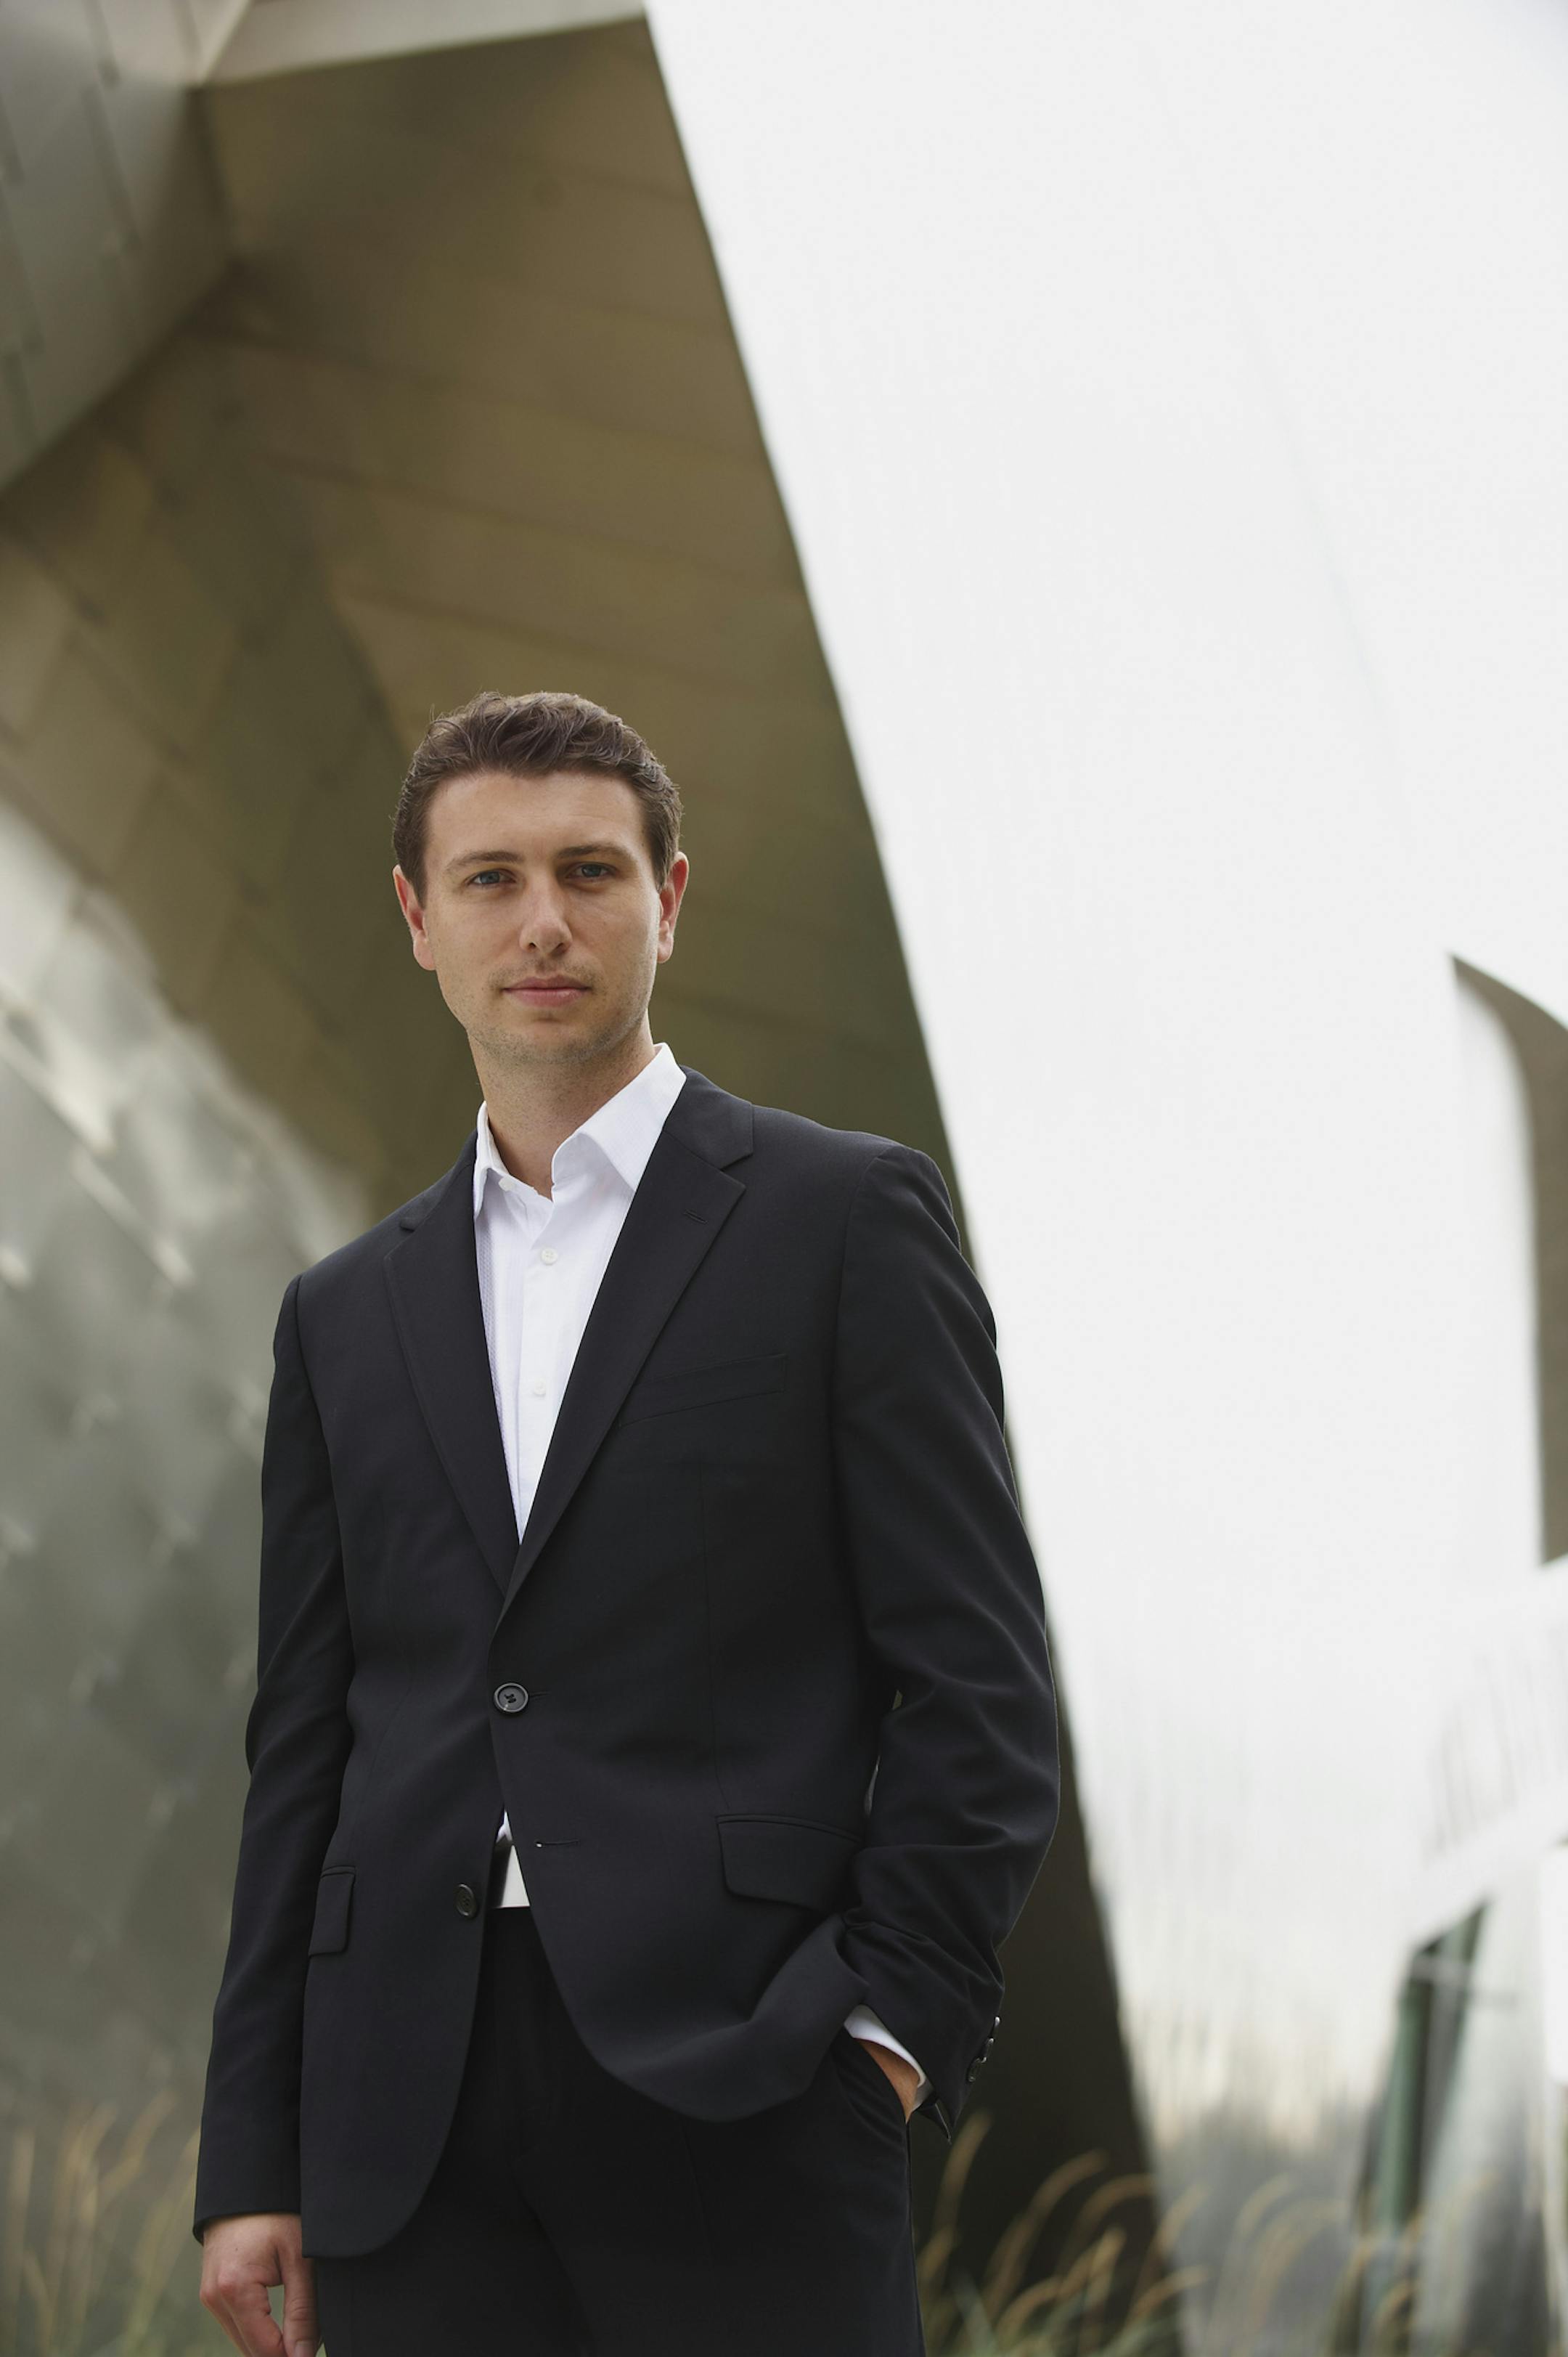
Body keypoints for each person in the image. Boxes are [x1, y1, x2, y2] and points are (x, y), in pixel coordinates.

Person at [192, 690, 1058, 2357]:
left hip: (751, 2085)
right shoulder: (344, 1312)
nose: (543, 922)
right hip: (402, 2119)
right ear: (416, 922)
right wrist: (254, 2151)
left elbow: (980, 1685)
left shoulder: (846, 1221)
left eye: (590, 872)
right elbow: (304, 1748)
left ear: (668, 901)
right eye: (491, 880)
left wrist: (884, 2035)